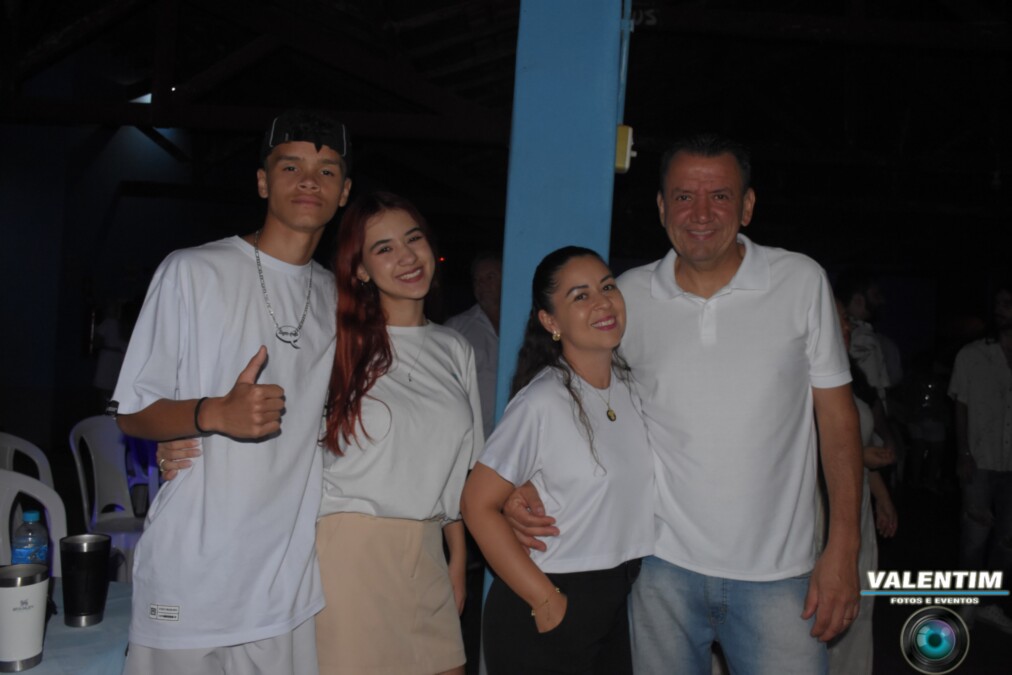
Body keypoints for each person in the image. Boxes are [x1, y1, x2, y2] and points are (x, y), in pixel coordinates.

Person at [508, 133, 863, 674]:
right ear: (660, 207)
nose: (700, 213)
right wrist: (525, 481)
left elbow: (837, 420)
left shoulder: (800, 281)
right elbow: (581, 399)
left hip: (779, 575)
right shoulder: (626, 296)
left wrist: (844, 548)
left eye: (719, 196)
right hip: (658, 570)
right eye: (683, 197)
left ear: (747, 206)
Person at [111, 109, 352, 674]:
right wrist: (211, 413)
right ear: (263, 182)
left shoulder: (339, 301)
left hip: (285, 584)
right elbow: (133, 412)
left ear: (343, 193)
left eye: (326, 170)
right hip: (193, 571)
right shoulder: (193, 271)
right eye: (290, 166)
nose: (309, 181)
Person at [460, 247, 653, 675]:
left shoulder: (631, 388)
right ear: (550, 321)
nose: (602, 303)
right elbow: (475, 503)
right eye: (580, 296)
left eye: (607, 287)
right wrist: (545, 599)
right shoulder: (543, 400)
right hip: (550, 603)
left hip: (616, 600)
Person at [315, 191, 483, 675]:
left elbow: (460, 471)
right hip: (349, 552)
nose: (407, 256)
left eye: (413, 239)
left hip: (428, 551)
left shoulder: (455, 348)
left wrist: (456, 558)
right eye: (384, 248)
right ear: (361, 269)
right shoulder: (337, 344)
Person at [948, 280, 1012, 634]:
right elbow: (960, 404)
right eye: (998, 303)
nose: (1001, 309)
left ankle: (991, 604)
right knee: (975, 537)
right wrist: (963, 453)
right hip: (980, 458)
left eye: (1008, 303)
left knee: (1007, 541)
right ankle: (967, 602)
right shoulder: (972, 355)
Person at [445, 252, 502, 439]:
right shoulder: (457, 328)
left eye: (490, 277)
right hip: (476, 438)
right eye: (477, 280)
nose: (482, 284)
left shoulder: (526, 324)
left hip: (517, 433)